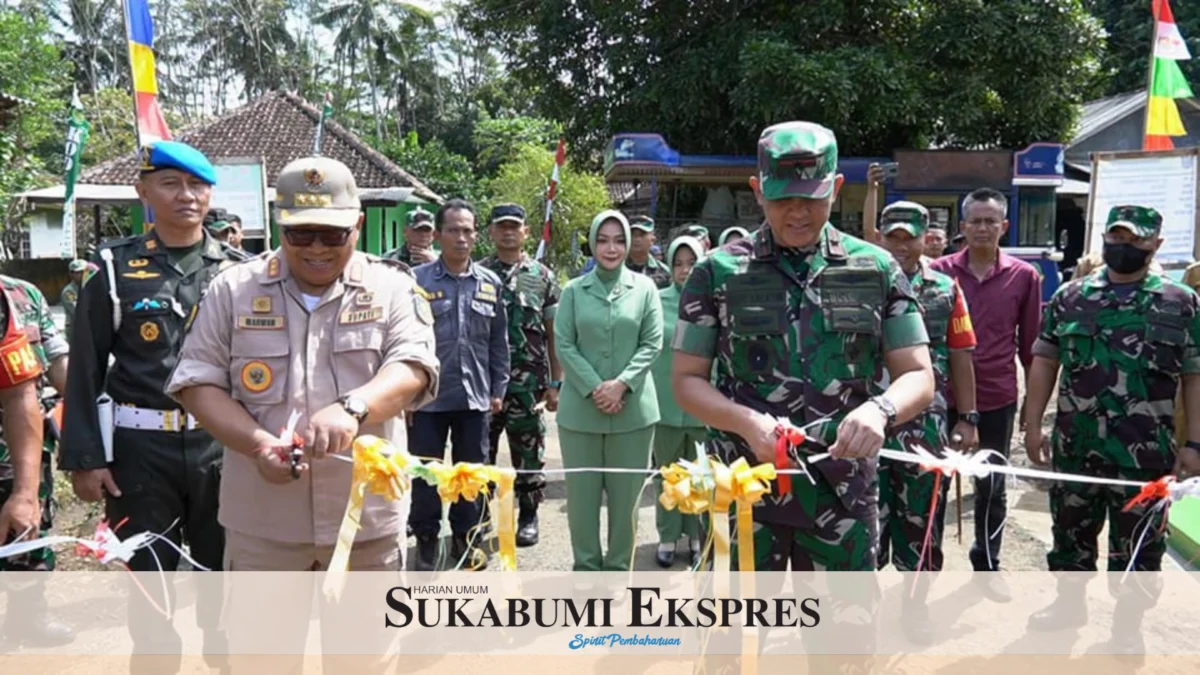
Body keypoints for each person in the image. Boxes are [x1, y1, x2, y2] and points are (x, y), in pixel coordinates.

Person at [167, 155, 439, 669]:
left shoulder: (392, 287)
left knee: (365, 660)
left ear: (357, 224)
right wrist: (257, 443)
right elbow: (197, 383)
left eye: (332, 235)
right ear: (279, 225)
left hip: (365, 526)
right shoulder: (233, 289)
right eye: (302, 234)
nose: (316, 248)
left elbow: (414, 367)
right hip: (264, 523)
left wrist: (355, 408)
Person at [672, 121, 935, 572]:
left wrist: (881, 410)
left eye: (811, 198)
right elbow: (686, 379)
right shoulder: (717, 272)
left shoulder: (877, 268)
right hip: (746, 488)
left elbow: (918, 374)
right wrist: (747, 423)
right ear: (757, 191)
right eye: (781, 199)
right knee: (739, 635)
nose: (797, 212)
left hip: (843, 492)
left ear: (835, 188)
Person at [58, 140, 247, 668]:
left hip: (220, 448)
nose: (186, 195)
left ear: (210, 194)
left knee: (226, 576)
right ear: (143, 191)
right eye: (170, 183)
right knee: (150, 583)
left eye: (197, 185)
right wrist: (86, 458)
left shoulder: (240, 270)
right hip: (141, 451)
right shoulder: (113, 268)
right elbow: (86, 367)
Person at [1023, 205, 1200, 648]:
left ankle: (1127, 627)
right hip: (1075, 446)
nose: (1124, 247)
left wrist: (1194, 442)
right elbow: (1045, 360)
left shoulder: (1180, 303)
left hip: (1145, 453)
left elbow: (1194, 376)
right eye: (1117, 237)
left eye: (1136, 240)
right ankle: (1068, 605)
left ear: (1155, 245)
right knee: (1069, 533)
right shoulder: (1071, 296)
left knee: (1139, 544)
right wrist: (1031, 426)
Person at [872, 202, 979, 642]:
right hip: (866, 422)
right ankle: (862, 610)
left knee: (922, 517)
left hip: (925, 425)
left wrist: (968, 417)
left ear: (924, 238)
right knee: (862, 516)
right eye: (892, 236)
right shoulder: (857, 280)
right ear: (879, 237)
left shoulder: (945, 289)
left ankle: (914, 606)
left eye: (908, 237)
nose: (901, 245)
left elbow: (960, 354)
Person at [930, 187, 1042, 599]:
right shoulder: (938, 272)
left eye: (990, 221)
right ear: (962, 227)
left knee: (991, 486)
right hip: (940, 398)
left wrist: (1033, 408)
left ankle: (988, 563)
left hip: (997, 397)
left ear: (1004, 227)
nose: (982, 228)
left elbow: (1032, 348)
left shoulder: (1024, 277)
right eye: (974, 221)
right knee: (933, 487)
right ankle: (926, 568)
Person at [555, 209, 662, 571]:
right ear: (592, 243)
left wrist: (621, 385)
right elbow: (564, 344)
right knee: (582, 502)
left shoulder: (646, 289)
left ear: (629, 244)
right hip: (580, 414)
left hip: (633, 413)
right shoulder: (573, 291)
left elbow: (652, 343)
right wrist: (596, 388)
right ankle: (585, 568)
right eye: (603, 239)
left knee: (626, 502)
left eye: (619, 240)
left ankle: (618, 570)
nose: (611, 248)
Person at [410, 199, 509, 571]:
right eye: (453, 230)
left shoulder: (490, 283)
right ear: (438, 235)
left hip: (475, 397)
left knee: (472, 474)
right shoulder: (417, 281)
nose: (462, 238)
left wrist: (499, 387)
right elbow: (407, 339)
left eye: (468, 230)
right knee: (426, 475)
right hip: (428, 399)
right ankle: (425, 539)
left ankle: (467, 540)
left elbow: (499, 342)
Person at [478, 203, 562, 547]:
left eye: (515, 226)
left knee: (529, 453)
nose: (509, 232)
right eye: (502, 226)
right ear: (491, 233)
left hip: (528, 385)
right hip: (483, 384)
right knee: (479, 451)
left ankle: (528, 514)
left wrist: (556, 382)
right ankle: (480, 515)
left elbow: (553, 331)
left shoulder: (542, 276)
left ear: (526, 232)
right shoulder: (478, 273)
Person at [0, 275, 72, 646]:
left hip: (19, 451)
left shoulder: (20, 294)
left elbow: (58, 363)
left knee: (26, 536)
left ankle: (28, 617)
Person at [650, 235, 706, 568]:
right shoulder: (655, 301)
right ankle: (667, 536)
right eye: (678, 263)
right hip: (665, 403)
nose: (684, 270)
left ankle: (696, 535)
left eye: (691, 263)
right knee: (667, 474)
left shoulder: (713, 299)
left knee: (700, 474)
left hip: (702, 406)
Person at [626, 215, 672, 289]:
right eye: (633, 235)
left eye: (642, 235)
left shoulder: (664, 272)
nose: (636, 239)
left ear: (652, 239)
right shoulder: (617, 268)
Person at [60, 259, 86, 342]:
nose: (82, 275)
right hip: (75, 329)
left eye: (84, 272)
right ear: (71, 274)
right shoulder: (69, 291)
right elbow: (77, 311)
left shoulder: (88, 287)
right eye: (78, 272)